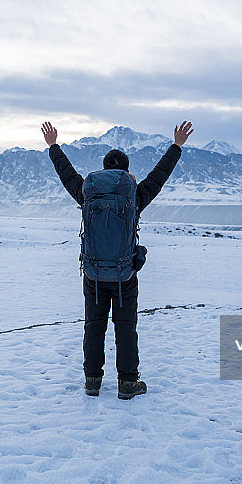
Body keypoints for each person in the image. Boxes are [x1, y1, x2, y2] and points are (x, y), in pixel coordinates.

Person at [42, 121, 193, 399]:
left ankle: (92, 381)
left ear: (103, 169)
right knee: (125, 328)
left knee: (94, 326)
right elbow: (159, 175)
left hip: (94, 274)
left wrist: (53, 146)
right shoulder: (134, 195)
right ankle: (127, 384)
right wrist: (176, 146)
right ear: (125, 171)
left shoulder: (88, 193)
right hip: (125, 276)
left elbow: (67, 174)